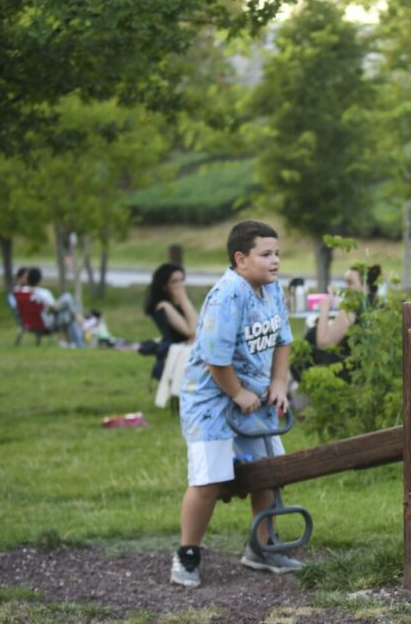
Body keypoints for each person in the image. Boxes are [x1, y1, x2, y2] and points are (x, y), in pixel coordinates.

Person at [171, 220, 300, 588]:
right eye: (266, 254)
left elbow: (283, 340)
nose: (275, 261)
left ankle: (262, 547)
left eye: (277, 253)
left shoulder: (271, 289)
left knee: (270, 472)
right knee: (209, 480)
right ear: (241, 258)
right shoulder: (227, 295)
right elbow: (214, 357)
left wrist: (278, 382)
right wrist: (236, 393)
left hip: (253, 392)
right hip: (212, 398)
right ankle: (187, 554)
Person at [303, 264, 382, 372]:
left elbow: (323, 343)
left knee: (311, 335)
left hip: (343, 369)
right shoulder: (376, 304)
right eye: (345, 282)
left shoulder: (352, 309)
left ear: (365, 285)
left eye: (350, 282)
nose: (346, 287)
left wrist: (324, 309)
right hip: (364, 366)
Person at [144, 263, 198, 379]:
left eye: (182, 280)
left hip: (188, 351)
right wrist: (184, 298)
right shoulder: (164, 306)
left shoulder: (179, 304)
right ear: (165, 286)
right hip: (177, 355)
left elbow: (199, 325)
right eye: (174, 282)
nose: (180, 285)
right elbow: (192, 331)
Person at [25, 267, 85, 347]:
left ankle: (70, 343)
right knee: (68, 298)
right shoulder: (43, 293)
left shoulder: (21, 292)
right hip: (46, 323)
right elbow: (55, 307)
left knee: (68, 312)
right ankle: (79, 320)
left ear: (28, 280)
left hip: (29, 322)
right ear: (39, 280)